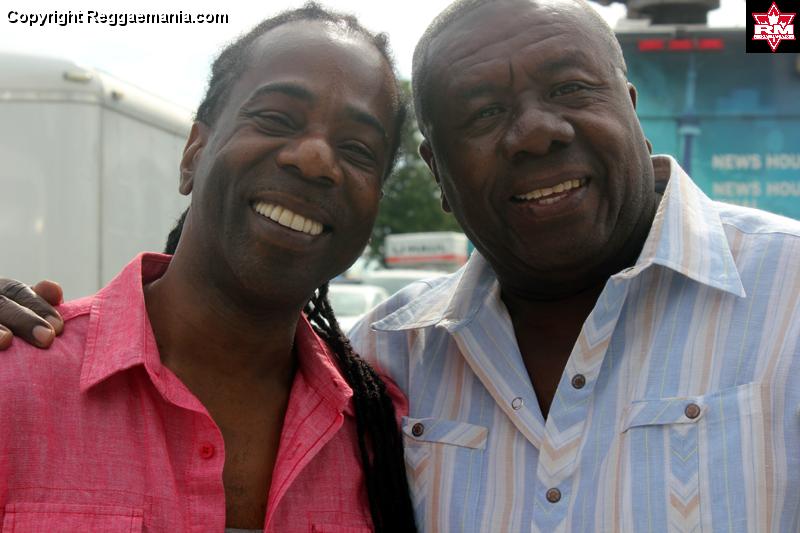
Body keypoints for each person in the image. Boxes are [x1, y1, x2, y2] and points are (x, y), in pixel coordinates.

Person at [4, 0, 800, 531]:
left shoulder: (367, 408)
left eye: (571, 87)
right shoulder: (393, 367)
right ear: (439, 179)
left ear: (632, 107)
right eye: (484, 114)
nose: (534, 131)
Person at [0, 4, 417, 533]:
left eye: (358, 148)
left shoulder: (391, 438)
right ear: (193, 153)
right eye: (276, 118)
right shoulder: (15, 381)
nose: (315, 159)